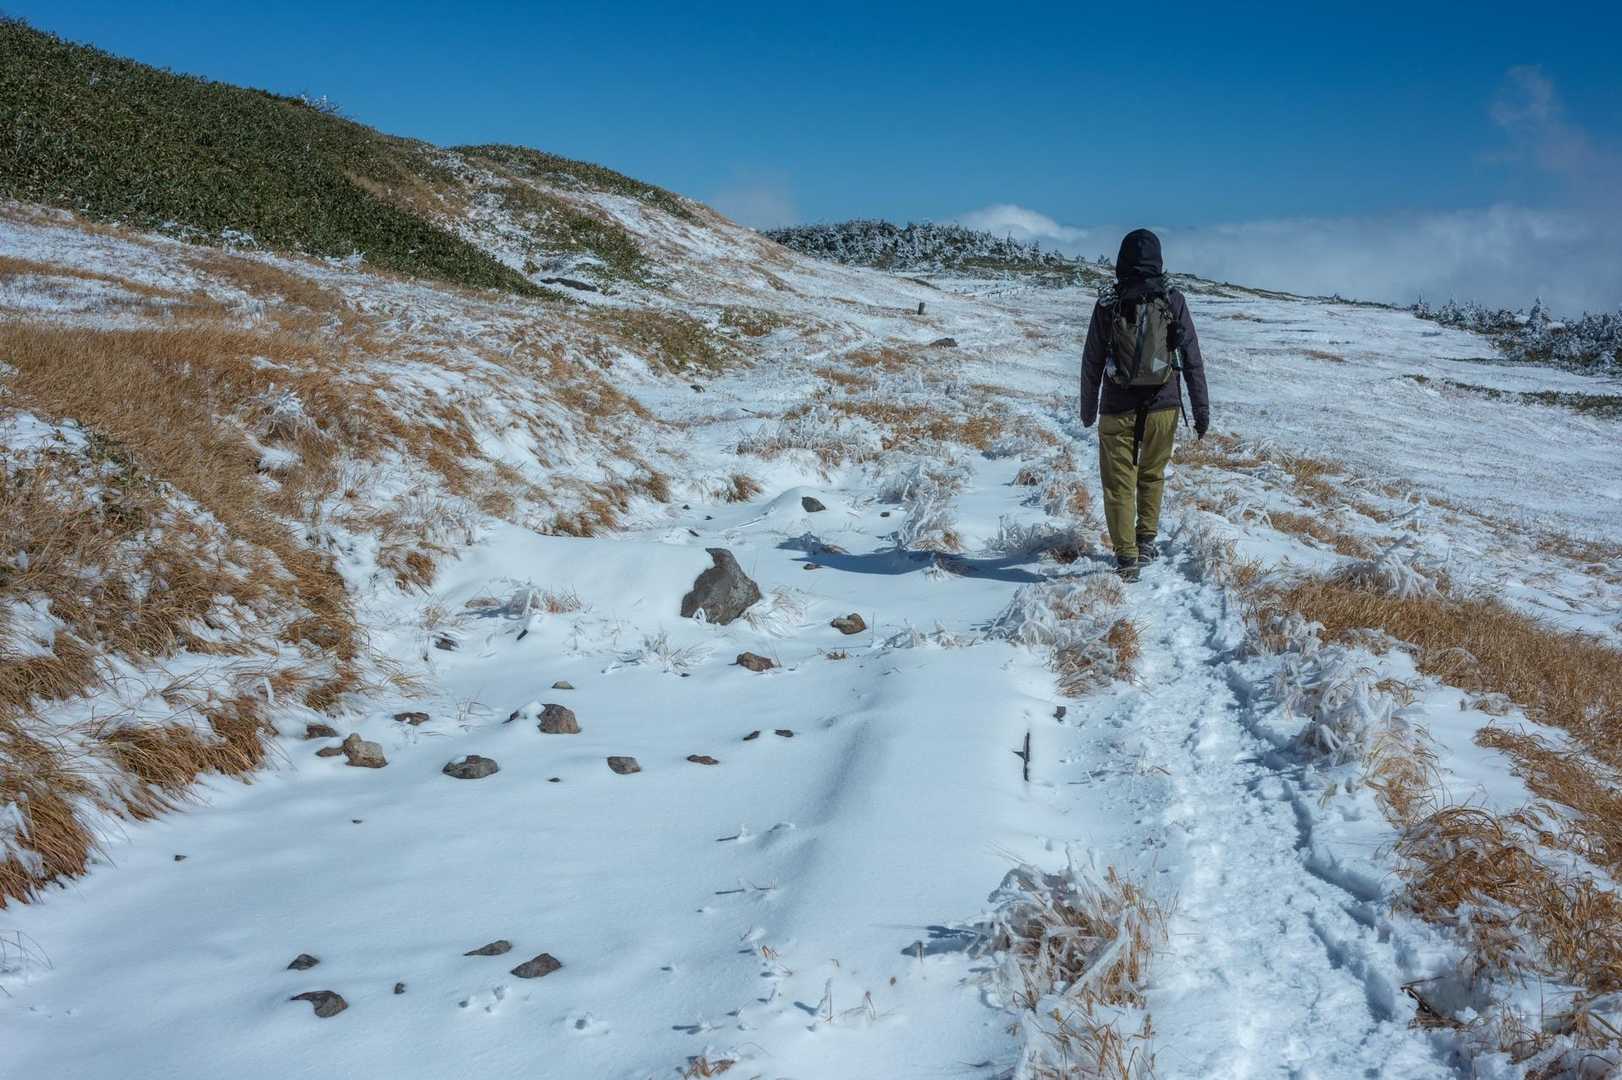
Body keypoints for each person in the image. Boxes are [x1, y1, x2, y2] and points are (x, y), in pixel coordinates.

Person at [1079, 229, 1209, 581]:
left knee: (1118, 484)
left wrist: (1088, 411)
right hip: (1163, 407)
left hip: (1116, 407)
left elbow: (1092, 361)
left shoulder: (1108, 303)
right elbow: (1192, 358)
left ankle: (1127, 558)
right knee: (1152, 474)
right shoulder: (1172, 299)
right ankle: (1146, 541)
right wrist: (1201, 412)